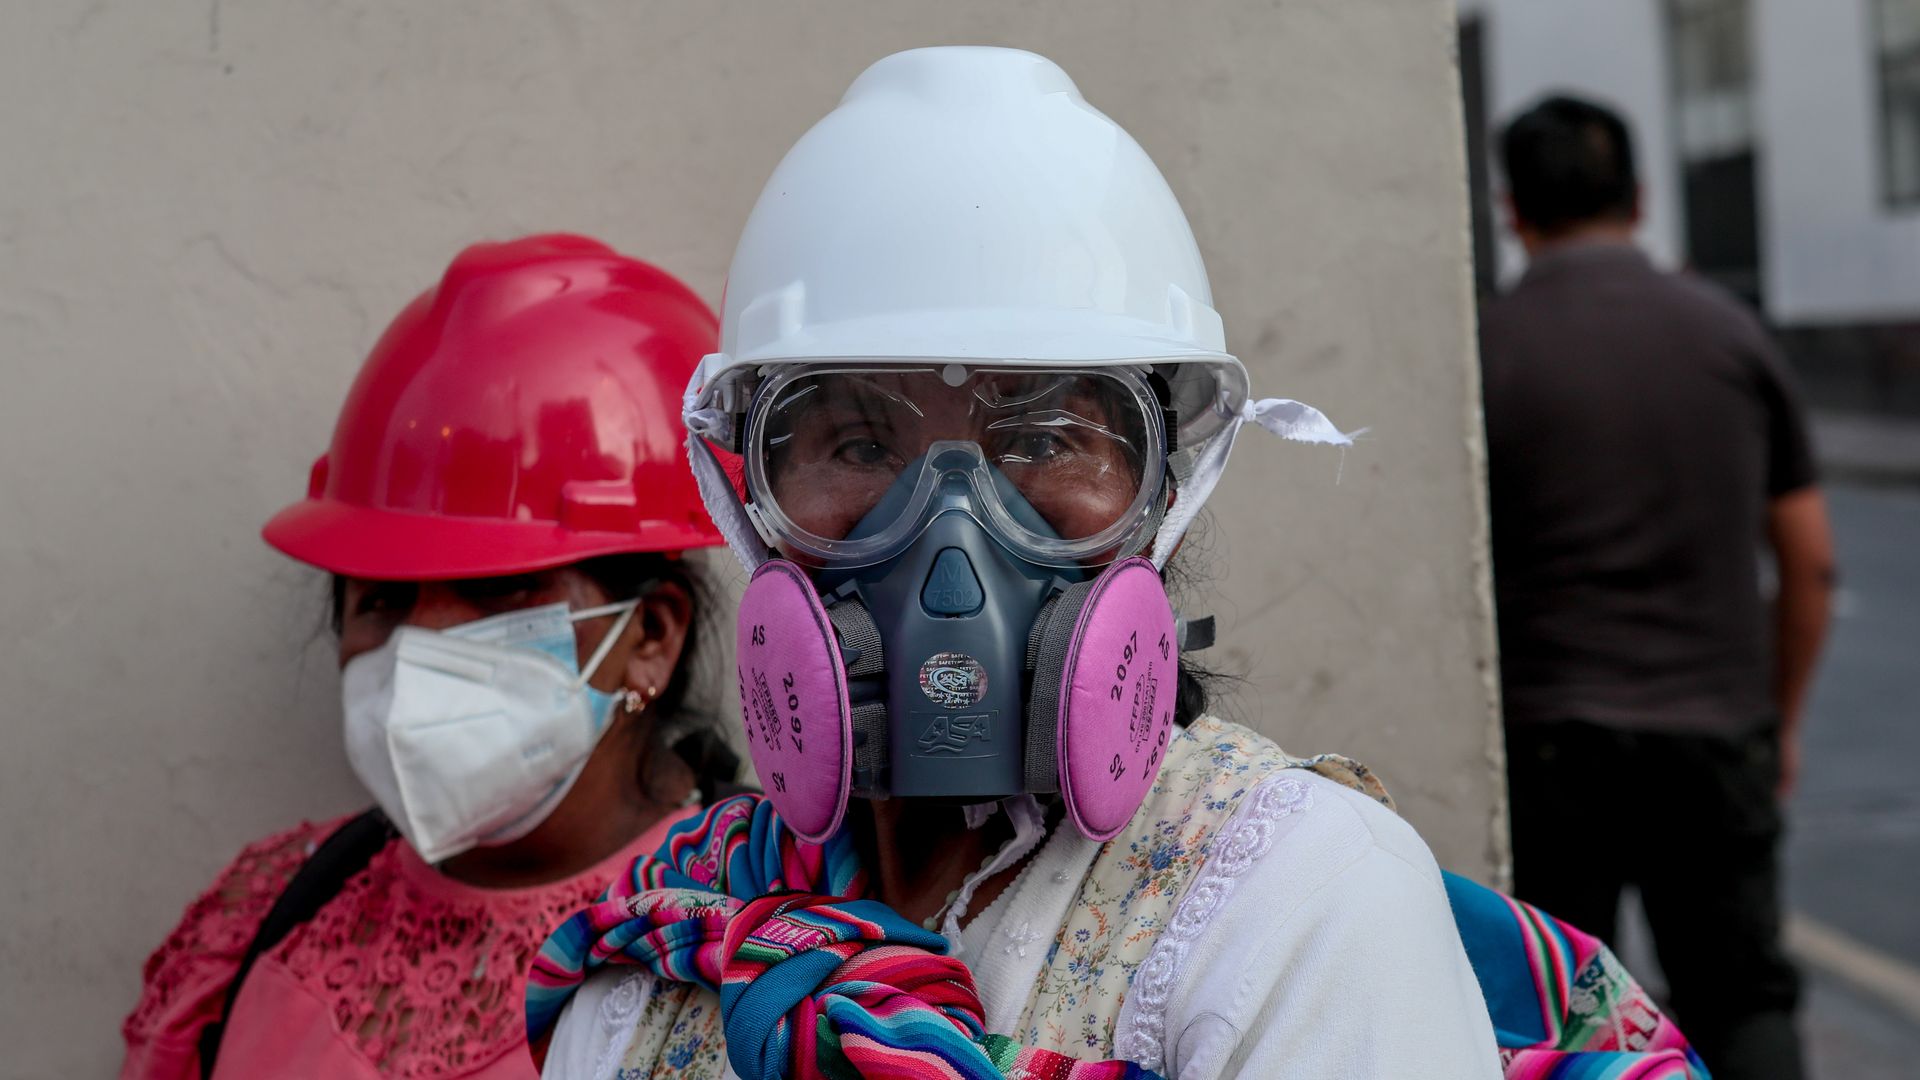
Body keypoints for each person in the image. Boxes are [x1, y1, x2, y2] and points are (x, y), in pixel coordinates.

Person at [526, 47, 1523, 1080]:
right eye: (861, 446)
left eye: (1043, 438)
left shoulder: (1303, 904)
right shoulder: (674, 933)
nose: (950, 539)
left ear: (1160, 500)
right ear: (751, 505)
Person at [120, 234, 736, 1079]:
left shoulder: (754, 960)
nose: (417, 653)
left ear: (650, 638)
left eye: (496, 591)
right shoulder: (269, 913)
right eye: (381, 599)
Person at [1480, 95, 1836, 1080]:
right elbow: (1809, 560)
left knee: (1557, 1018)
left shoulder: (1489, 350)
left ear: (1514, 209)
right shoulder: (1730, 334)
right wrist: (1782, 719)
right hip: (1715, 733)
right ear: (1639, 197)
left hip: (1551, 748)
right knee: (1741, 996)